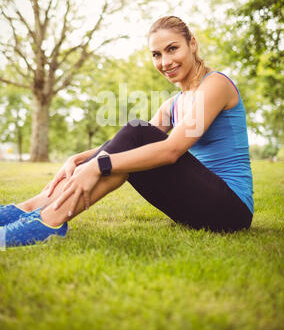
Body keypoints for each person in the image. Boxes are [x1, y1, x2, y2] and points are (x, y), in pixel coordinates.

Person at [0, 16, 254, 248]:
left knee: (134, 133)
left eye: (172, 48)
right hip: (198, 205)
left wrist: (98, 165)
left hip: (231, 209)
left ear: (193, 44)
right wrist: (78, 159)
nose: (165, 62)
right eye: (156, 54)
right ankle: (30, 209)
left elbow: (171, 150)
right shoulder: (174, 103)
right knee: (131, 141)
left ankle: (48, 220)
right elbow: (128, 144)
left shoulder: (216, 85)